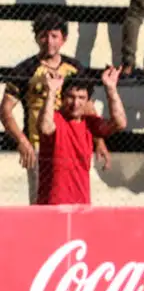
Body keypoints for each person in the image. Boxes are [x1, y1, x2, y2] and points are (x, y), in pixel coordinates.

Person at [0, 13, 110, 204]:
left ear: (63, 39)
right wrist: (22, 140)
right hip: (39, 146)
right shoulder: (25, 70)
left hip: (73, 145)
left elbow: (88, 107)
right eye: (44, 35)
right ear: (36, 38)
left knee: (75, 198)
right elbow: (5, 109)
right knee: (41, 202)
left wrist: (99, 142)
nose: (49, 41)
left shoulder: (74, 68)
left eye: (54, 36)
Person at [37, 67, 127, 205]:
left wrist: (111, 89)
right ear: (62, 98)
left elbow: (120, 123)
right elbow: (45, 127)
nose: (75, 103)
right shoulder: (54, 118)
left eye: (81, 98)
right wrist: (51, 92)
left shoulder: (89, 123)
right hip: (52, 204)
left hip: (81, 204)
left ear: (88, 101)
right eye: (71, 97)